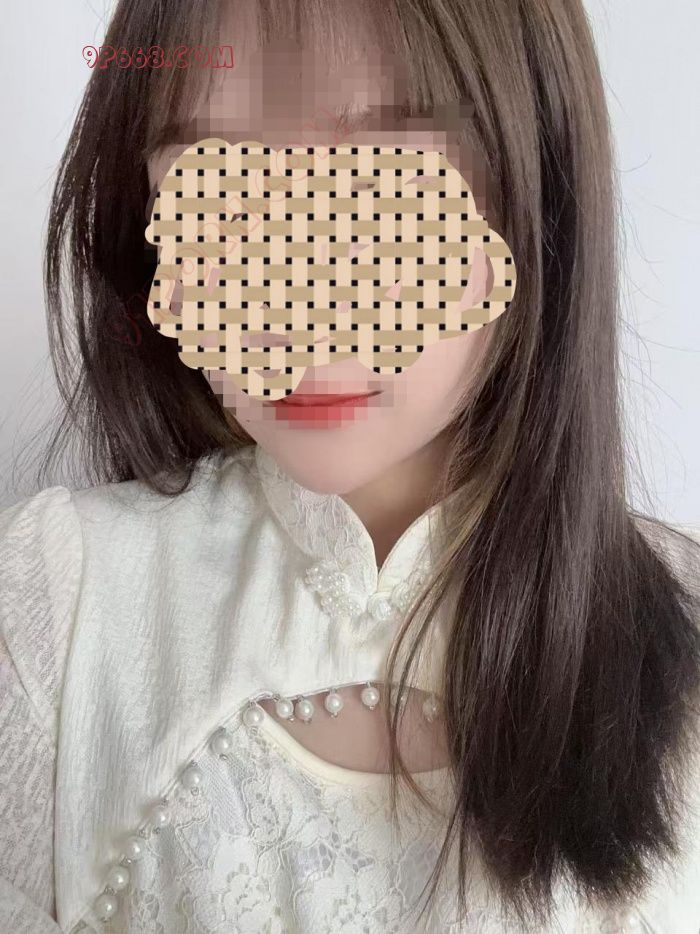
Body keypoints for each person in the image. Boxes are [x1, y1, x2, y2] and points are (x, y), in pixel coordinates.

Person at [1, 0, 699, 931]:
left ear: (538, 197)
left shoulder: (683, 633)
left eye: (382, 197)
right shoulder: (56, 607)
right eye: (222, 204)